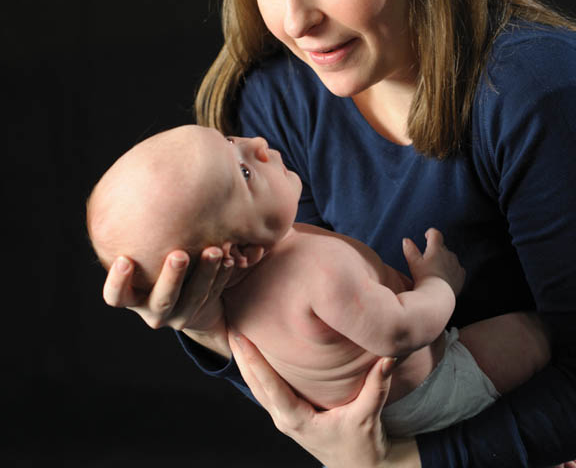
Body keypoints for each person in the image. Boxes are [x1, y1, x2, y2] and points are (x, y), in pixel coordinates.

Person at [100, 0, 576, 468]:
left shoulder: (535, 92)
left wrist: (400, 466)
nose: (295, 20)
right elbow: (332, 374)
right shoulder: (275, 106)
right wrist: (207, 327)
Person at [88, 124, 550, 436]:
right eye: (245, 172)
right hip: (429, 389)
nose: (258, 144)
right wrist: (439, 283)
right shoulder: (314, 271)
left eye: (231, 140)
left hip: (371, 422)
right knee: (530, 337)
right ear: (240, 252)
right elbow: (400, 332)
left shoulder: (236, 294)